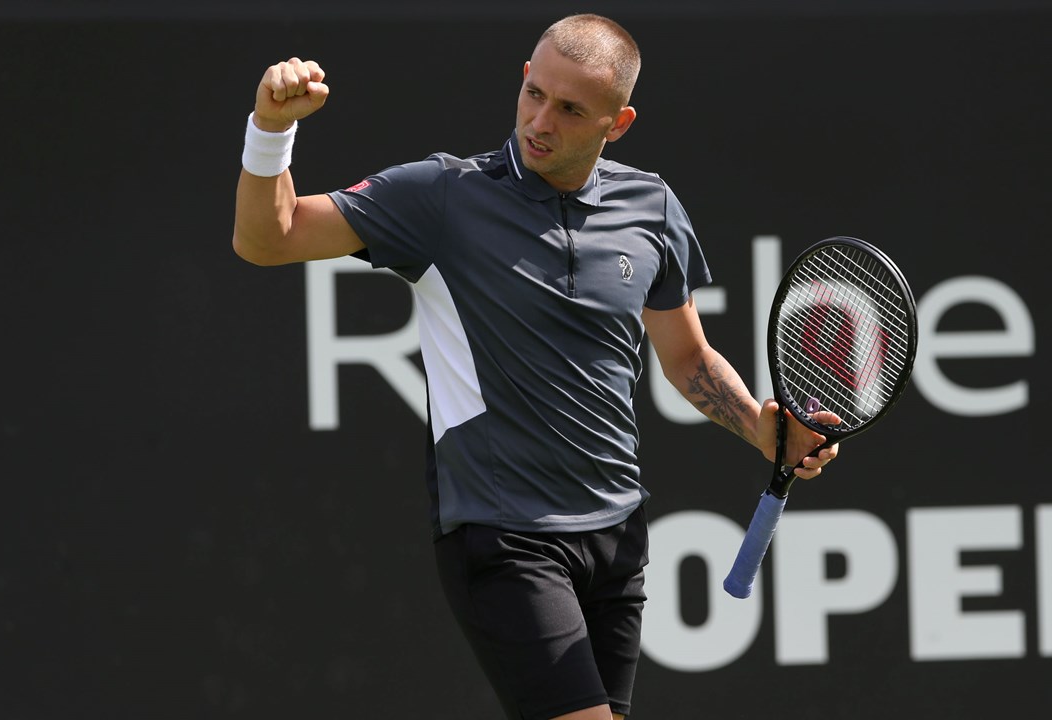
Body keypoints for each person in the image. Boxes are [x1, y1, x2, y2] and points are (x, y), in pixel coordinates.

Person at [233, 13, 838, 720]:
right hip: (503, 534)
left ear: (618, 122)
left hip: (616, 536)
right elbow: (265, 240)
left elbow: (687, 356)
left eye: (571, 109)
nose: (540, 120)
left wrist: (764, 431)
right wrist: (270, 130)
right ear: (524, 79)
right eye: (535, 94)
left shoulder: (652, 208)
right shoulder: (441, 197)